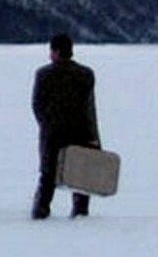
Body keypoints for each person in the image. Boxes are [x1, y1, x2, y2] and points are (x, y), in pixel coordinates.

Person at [30, 34, 100, 220]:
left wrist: (46, 124)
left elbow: (37, 105)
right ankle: (80, 213)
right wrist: (94, 137)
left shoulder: (43, 74)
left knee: (48, 174)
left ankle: (41, 210)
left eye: (51, 51)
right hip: (80, 132)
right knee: (80, 176)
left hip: (53, 133)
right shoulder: (85, 74)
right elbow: (89, 109)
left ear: (57, 51)